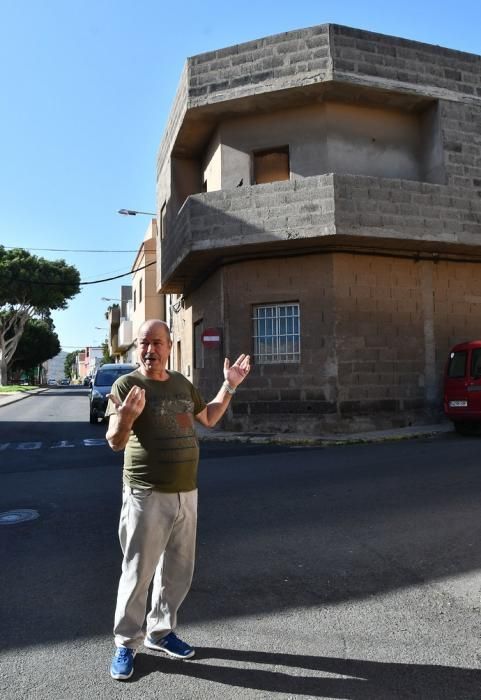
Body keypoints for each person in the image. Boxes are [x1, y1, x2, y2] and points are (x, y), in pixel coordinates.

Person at [106, 319, 251, 681]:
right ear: (137, 348)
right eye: (143, 343)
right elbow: (114, 440)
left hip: (187, 492)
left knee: (178, 569)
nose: (149, 349)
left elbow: (210, 417)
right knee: (138, 572)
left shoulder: (182, 384)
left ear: (170, 346)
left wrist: (228, 386)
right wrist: (124, 418)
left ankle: (160, 631)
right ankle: (126, 642)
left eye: (157, 342)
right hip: (146, 493)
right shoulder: (127, 384)